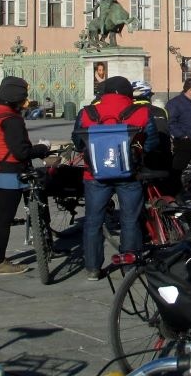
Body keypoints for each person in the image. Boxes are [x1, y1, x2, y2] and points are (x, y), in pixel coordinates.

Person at [75, 76, 158, 280]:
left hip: (94, 173)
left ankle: (93, 268)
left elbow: (78, 141)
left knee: (93, 221)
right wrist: (140, 154)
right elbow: (152, 142)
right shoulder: (142, 111)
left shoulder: (87, 112)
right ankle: (129, 265)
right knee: (130, 219)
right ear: (128, 93)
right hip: (129, 172)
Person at [0, 76, 51, 276]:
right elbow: (21, 152)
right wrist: (43, 148)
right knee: (3, 219)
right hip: (9, 172)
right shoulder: (11, 120)